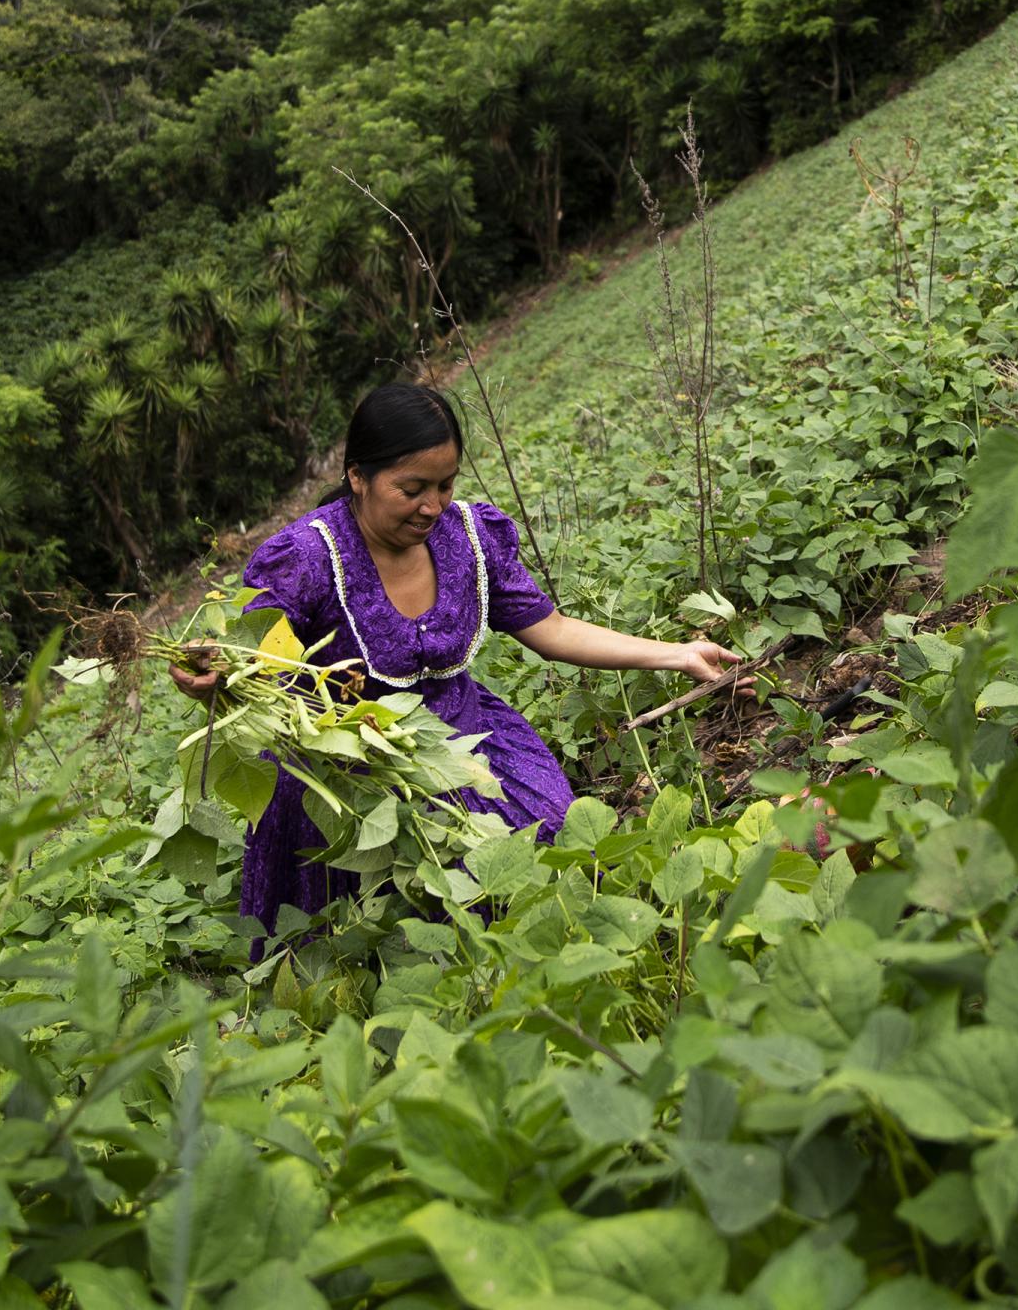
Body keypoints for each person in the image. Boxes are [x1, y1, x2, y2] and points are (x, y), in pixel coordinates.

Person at [174, 382, 740, 948]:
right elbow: (255, 665)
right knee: (364, 923)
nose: (432, 506)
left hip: (466, 735)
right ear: (357, 477)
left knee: (552, 843)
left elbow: (552, 630)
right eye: (411, 488)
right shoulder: (306, 559)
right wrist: (214, 682)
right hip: (345, 760)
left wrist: (678, 655)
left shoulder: (468, 536)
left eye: (444, 485)